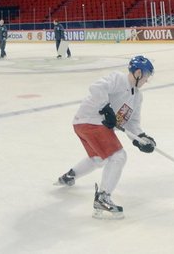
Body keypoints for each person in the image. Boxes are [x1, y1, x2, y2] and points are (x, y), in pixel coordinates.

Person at [54, 55, 156, 219]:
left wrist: (141, 139)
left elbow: (132, 123)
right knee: (118, 157)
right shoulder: (118, 79)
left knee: (98, 158)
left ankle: (69, 176)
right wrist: (106, 107)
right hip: (90, 121)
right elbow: (96, 87)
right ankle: (103, 197)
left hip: (87, 124)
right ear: (138, 73)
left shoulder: (137, 97)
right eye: (146, 77)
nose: (146, 81)